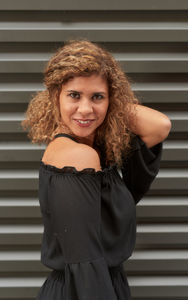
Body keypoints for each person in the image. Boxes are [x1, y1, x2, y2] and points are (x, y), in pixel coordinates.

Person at [21, 38, 171, 300]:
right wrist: (102, 98)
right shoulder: (79, 157)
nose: (85, 109)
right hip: (84, 290)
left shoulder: (96, 149)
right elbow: (85, 266)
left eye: (97, 97)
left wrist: (110, 102)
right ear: (55, 96)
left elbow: (159, 126)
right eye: (74, 95)